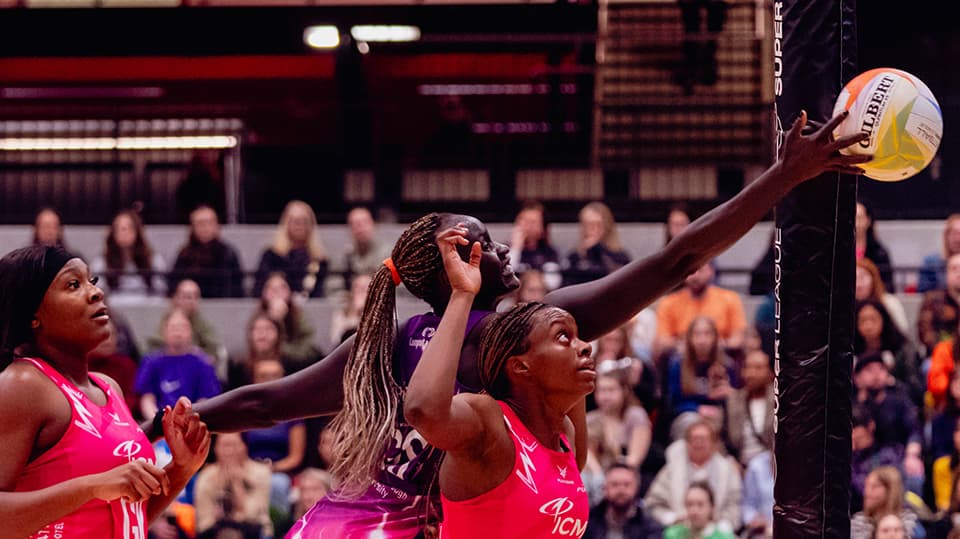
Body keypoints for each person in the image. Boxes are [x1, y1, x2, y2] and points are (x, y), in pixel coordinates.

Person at [186, 112, 868, 537]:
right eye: (491, 243)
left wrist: (193, 415)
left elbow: (268, 401)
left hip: (334, 520)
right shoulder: (521, 336)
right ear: (465, 265)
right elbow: (676, 259)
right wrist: (783, 177)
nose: (510, 249)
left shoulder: (387, 343)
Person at [0, 245, 210, 538]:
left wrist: (182, 469)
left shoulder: (108, 386)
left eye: (92, 281)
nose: (96, 292)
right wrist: (93, 486)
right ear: (34, 315)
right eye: (73, 284)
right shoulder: (23, 384)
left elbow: (126, 516)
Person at [402, 226, 593, 537]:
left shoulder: (564, 434)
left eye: (578, 336)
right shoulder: (489, 423)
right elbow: (422, 410)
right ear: (521, 366)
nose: (586, 345)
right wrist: (463, 295)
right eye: (563, 337)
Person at [252, 200, 329, 299]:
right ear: (286, 223)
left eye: (304, 221)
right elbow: (259, 289)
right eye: (295, 221)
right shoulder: (271, 256)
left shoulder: (319, 260)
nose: (299, 225)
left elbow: (320, 294)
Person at [168, 205, 245, 299]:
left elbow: (235, 290)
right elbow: (174, 287)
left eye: (210, 223)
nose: (205, 228)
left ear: (217, 226)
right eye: (201, 223)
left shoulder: (229, 254)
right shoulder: (184, 255)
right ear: (192, 227)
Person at [90, 209, 167, 301]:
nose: (124, 233)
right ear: (113, 233)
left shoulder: (154, 260)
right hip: (112, 310)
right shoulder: (101, 263)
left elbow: (161, 291)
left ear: (137, 231)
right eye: (120, 229)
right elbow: (97, 293)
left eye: (129, 228)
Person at [562, 201, 631, 287]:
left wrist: (599, 249)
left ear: (606, 226)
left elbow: (622, 280)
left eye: (597, 224)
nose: (592, 229)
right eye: (587, 224)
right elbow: (564, 286)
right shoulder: (574, 256)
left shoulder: (620, 256)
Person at [584, 463, 662, 539]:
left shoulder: (650, 526)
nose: (621, 490)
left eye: (627, 484)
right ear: (605, 488)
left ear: (637, 487)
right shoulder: (588, 522)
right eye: (615, 484)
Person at [662, 482, 736, 539]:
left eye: (700, 505)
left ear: (712, 507)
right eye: (690, 504)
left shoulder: (724, 537)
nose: (694, 510)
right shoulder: (672, 534)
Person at [343, 207, 393, 290]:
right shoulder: (347, 255)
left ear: (374, 225)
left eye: (364, 223)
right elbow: (336, 286)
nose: (360, 228)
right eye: (355, 224)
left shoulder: (388, 255)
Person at [856, 201, 895, 293]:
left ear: (868, 220)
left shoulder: (880, 253)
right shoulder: (837, 252)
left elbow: (888, 285)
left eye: (859, 218)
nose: (856, 223)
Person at [918, 214, 960, 294]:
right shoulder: (930, 262)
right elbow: (924, 293)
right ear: (946, 236)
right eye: (955, 233)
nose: (958, 239)